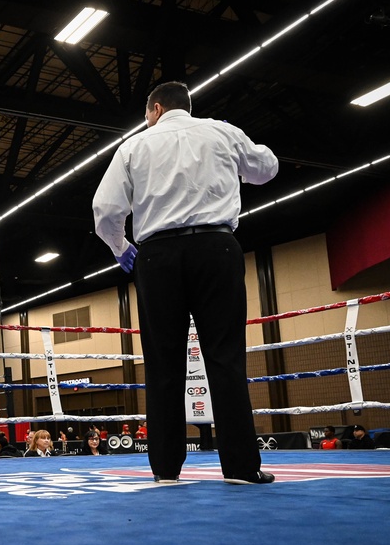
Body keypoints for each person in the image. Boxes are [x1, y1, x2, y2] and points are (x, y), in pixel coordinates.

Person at [93, 81, 278, 485]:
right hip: (217, 248)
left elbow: (105, 208)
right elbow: (267, 169)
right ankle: (242, 468)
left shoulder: (134, 146)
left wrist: (119, 247)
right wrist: (236, 143)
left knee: (163, 363)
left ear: (156, 108)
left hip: (157, 256)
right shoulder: (221, 131)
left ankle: (165, 469)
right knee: (226, 358)